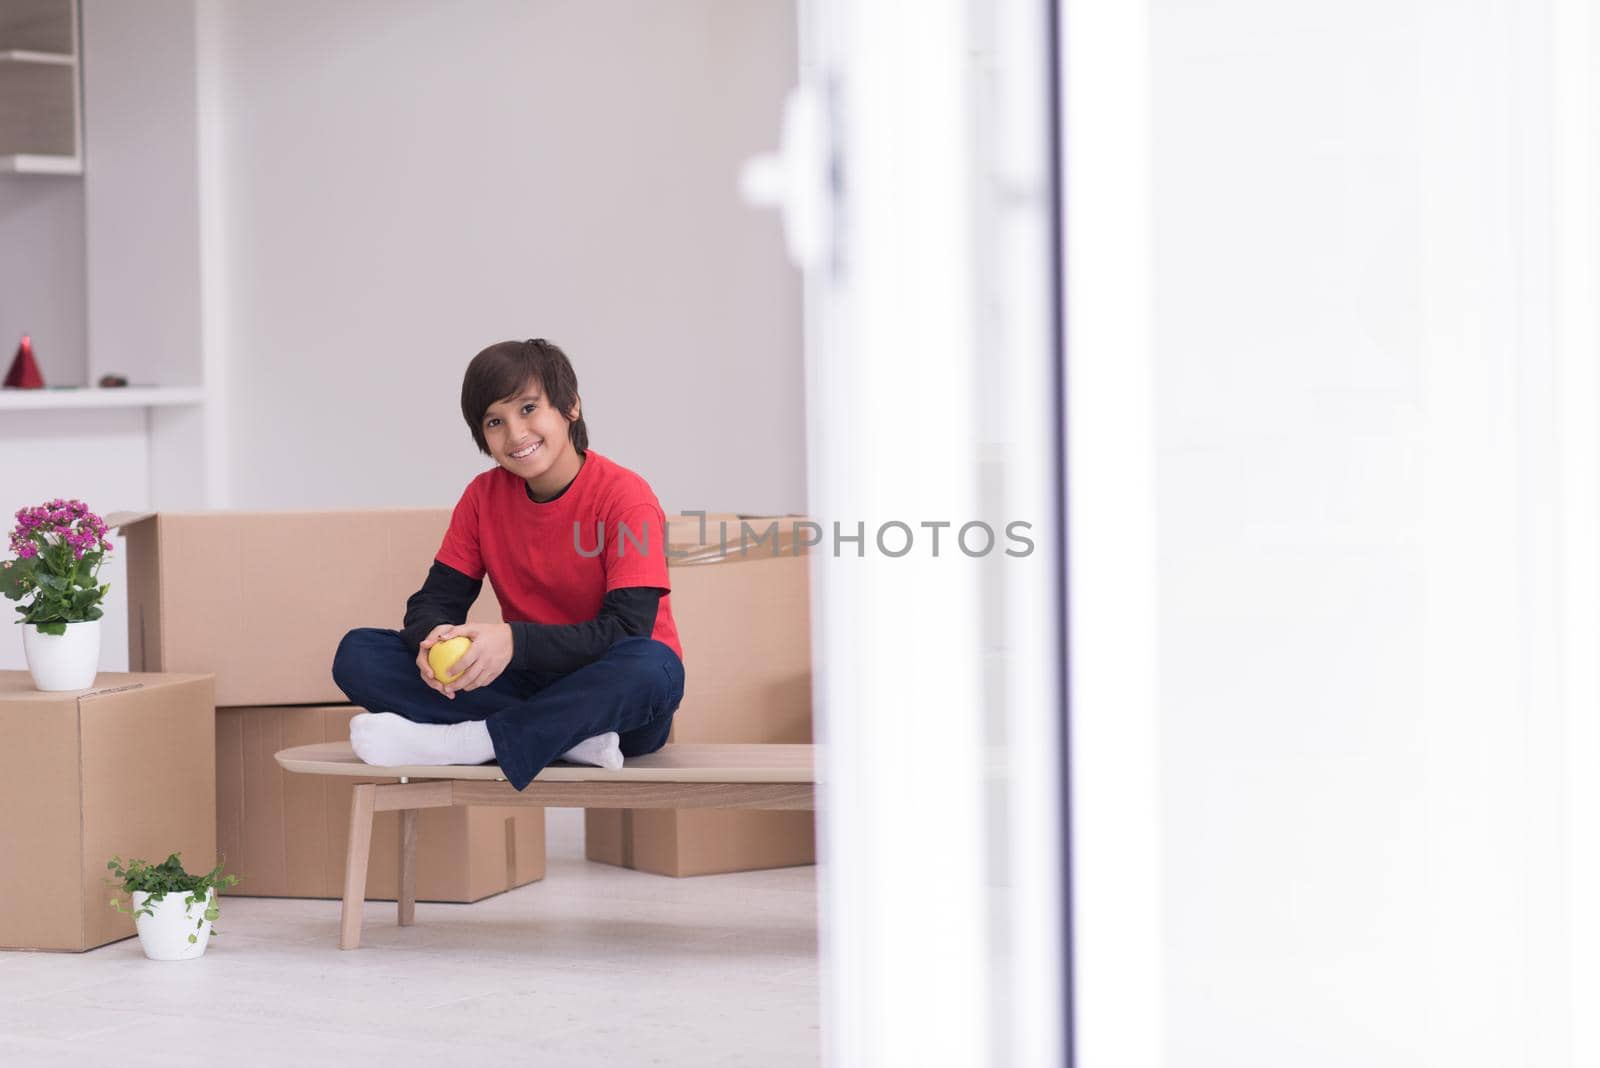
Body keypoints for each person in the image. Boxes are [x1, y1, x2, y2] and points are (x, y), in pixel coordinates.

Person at [330, 338, 685, 791]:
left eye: (528, 409)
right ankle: (564, 740)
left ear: (570, 407)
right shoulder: (482, 498)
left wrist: (513, 642)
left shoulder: (625, 496)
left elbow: (627, 629)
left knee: (654, 667)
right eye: (495, 421)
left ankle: (473, 742)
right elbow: (434, 601)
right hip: (525, 683)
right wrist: (431, 638)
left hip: (612, 695)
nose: (516, 434)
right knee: (359, 654)